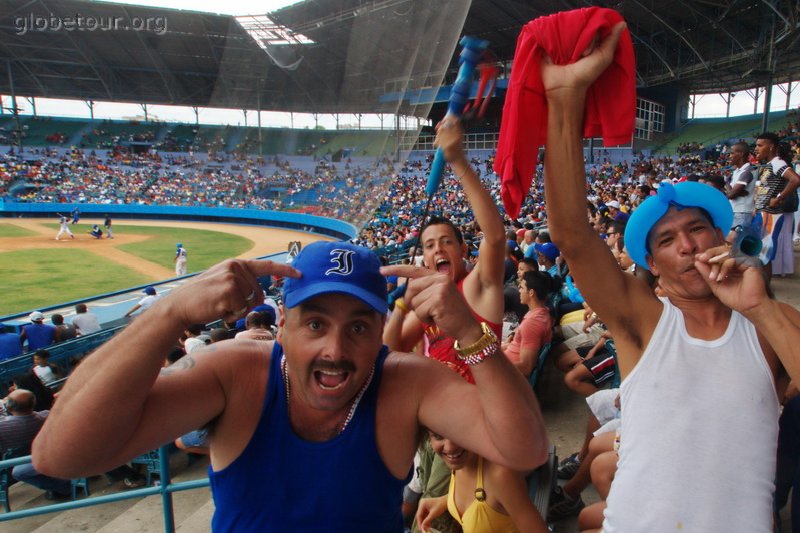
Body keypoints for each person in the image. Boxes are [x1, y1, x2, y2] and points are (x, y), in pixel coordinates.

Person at [32, 241, 548, 531]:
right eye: (316, 323)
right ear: (283, 327)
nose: (336, 350)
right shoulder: (236, 372)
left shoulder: (405, 381)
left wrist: (469, 334)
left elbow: (524, 448)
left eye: (359, 328)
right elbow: (59, 456)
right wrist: (168, 313)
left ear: (380, 335)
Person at [540, 21, 800, 532]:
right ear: (653, 267)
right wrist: (566, 100)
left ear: (720, 236)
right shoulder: (644, 321)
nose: (687, 245)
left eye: (698, 229)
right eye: (666, 240)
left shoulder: (770, 324)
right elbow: (571, 233)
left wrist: (760, 308)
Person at [383, 118, 507, 385]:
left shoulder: (476, 286)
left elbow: (495, 236)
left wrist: (457, 159)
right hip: (440, 409)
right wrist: (402, 303)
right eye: (429, 246)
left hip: (479, 410)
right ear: (425, 259)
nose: (437, 248)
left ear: (462, 249)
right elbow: (392, 350)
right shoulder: (429, 301)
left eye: (446, 242)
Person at [415, 431, 548, 533]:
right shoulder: (460, 463)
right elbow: (490, 503)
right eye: (438, 436)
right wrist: (446, 501)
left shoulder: (500, 475)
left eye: (459, 433)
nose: (450, 448)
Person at [1, 389, 71, 499]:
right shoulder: (47, 416)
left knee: (18, 472)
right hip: (50, 454)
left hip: (31, 461)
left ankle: (64, 487)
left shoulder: (2, 428)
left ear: (9, 408)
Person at [754, 132, 800, 279]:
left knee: (765, 252)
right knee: (761, 250)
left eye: (760, 145)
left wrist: (779, 197)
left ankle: (764, 286)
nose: (756, 149)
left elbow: (795, 179)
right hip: (763, 212)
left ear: (771, 146)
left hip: (771, 214)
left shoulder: (777, 163)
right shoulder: (767, 166)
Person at [501, 270, 554, 377]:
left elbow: (526, 367)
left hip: (505, 374)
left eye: (522, 288)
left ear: (531, 293)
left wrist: (494, 366)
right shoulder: (541, 312)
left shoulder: (532, 323)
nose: (519, 291)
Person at [726, 141, 756, 242]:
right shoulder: (737, 172)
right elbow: (732, 193)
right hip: (736, 212)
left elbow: (731, 195)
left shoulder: (747, 171)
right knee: (732, 245)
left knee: (736, 245)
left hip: (742, 213)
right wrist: (734, 191)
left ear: (741, 154)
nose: (730, 156)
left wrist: (726, 184)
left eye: (732, 153)